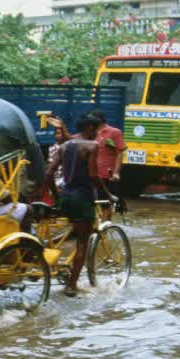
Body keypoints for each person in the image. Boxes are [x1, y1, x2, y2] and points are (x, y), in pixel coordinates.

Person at [46, 115, 111, 297]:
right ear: (90, 128)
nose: (98, 133)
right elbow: (93, 175)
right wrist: (108, 193)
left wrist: (56, 195)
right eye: (97, 130)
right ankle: (72, 285)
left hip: (65, 197)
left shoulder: (65, 146)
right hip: (82, 198)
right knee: (82, 242)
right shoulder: (92, 146)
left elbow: (49, 172)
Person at [88, 109, 126, 221]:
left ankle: (105, 227)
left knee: (106, 203)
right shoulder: (91, 133)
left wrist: (116, 173)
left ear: (99, 120)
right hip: (92, 174)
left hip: (107, 175)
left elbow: (120, 153)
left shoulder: (114, 132)